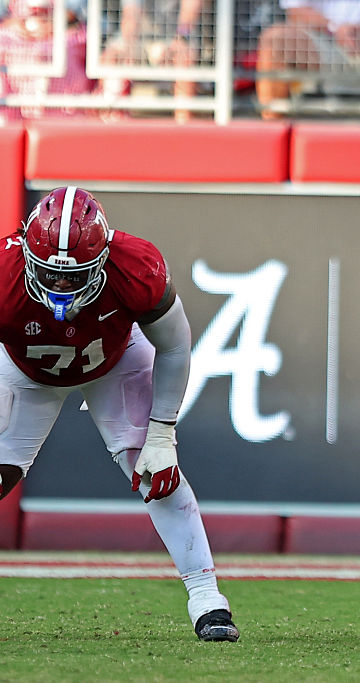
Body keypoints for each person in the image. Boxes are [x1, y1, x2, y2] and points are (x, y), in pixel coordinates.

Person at [0, 187, 239, 643]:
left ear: (104, 256)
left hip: (113, 359)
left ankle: (207, 599)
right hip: (24, 366)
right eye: (50, 273)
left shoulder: (135, 264)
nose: (62, 286)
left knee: (154, 470)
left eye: (75, 276)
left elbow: (174, 345)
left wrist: (162, 434)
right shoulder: (2, 273)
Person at [254, 0, 360, 119]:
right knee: (274, 39)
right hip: (322, 37)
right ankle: (271, 128)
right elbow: (296, 10)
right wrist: (334, 28)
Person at [97, 0, 205, 123]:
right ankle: (112, 123)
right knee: (111, 55)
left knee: (184, 57)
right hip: (140, 41)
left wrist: (180, 40)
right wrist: (128, 45)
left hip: (175, 39)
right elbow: (130, 17)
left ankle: (183, 126)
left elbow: (189, 14)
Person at [0, 0, 96, 122]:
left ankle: (64, 119)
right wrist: (16, 23)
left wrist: (53, 24)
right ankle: (8, 118)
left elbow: (76, 16)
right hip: (17, 34)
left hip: (60, 33)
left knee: (67, 49)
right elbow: (4, 16)